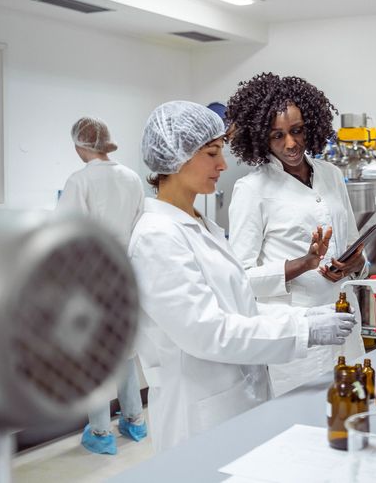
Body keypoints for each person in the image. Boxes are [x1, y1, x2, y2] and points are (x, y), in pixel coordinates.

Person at [129, 100, 356, 452]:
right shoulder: (157, 236)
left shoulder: (201, 227)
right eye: (212, 153)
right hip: (199, 411)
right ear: (176, 158)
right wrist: (302, 329)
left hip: (238, 397)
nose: (222, 165)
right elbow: (208, 331)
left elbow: (239, 307)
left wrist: (306, 316)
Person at [227, 73, 367, 396]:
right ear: (262, 137)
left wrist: (353, 264)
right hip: (299, 340)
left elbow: (356, 247)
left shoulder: (332, 175)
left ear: (311, 126)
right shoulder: (252, 190)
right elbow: (240, 279)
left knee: (355, 413)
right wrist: (304, 264)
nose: (290, 144)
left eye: (297, 131)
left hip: (346, 324)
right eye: (277, 135)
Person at [56, 117, 147, 455]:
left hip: (93, 282)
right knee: (124, 352)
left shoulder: (79, 181)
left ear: (81, 146)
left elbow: (64, 235)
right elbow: (141, 227)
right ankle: (135, 421)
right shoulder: (132, 178)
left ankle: (100, 431)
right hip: (127, 277)